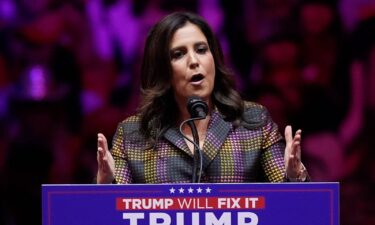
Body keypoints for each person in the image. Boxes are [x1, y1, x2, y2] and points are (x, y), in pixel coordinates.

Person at [96, 11, 309, 184]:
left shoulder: (252, 121)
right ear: (162, 70)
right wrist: (104, 187)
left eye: (201, 50)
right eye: (178, 54)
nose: (194, 61)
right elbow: (115, 211)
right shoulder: (134, 134)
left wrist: (294, 176)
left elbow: (292, 207)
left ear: (214, 58)